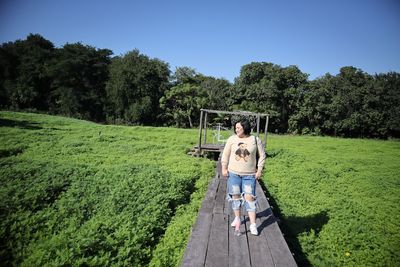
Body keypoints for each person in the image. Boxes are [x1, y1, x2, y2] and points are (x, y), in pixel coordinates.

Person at [221, 118, 266, 236]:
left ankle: (253, 224)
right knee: (235, 197)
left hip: (249, 175)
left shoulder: (255, 140)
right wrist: (224, 168)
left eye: (238, 128)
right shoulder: (232, 139)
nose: (236, 130)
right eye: (235, 128)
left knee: (249, 198)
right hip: (233, 174)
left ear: (245, 128)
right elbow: (225, 154)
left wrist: (259, 170)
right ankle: (237, 218)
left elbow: (262, 155)